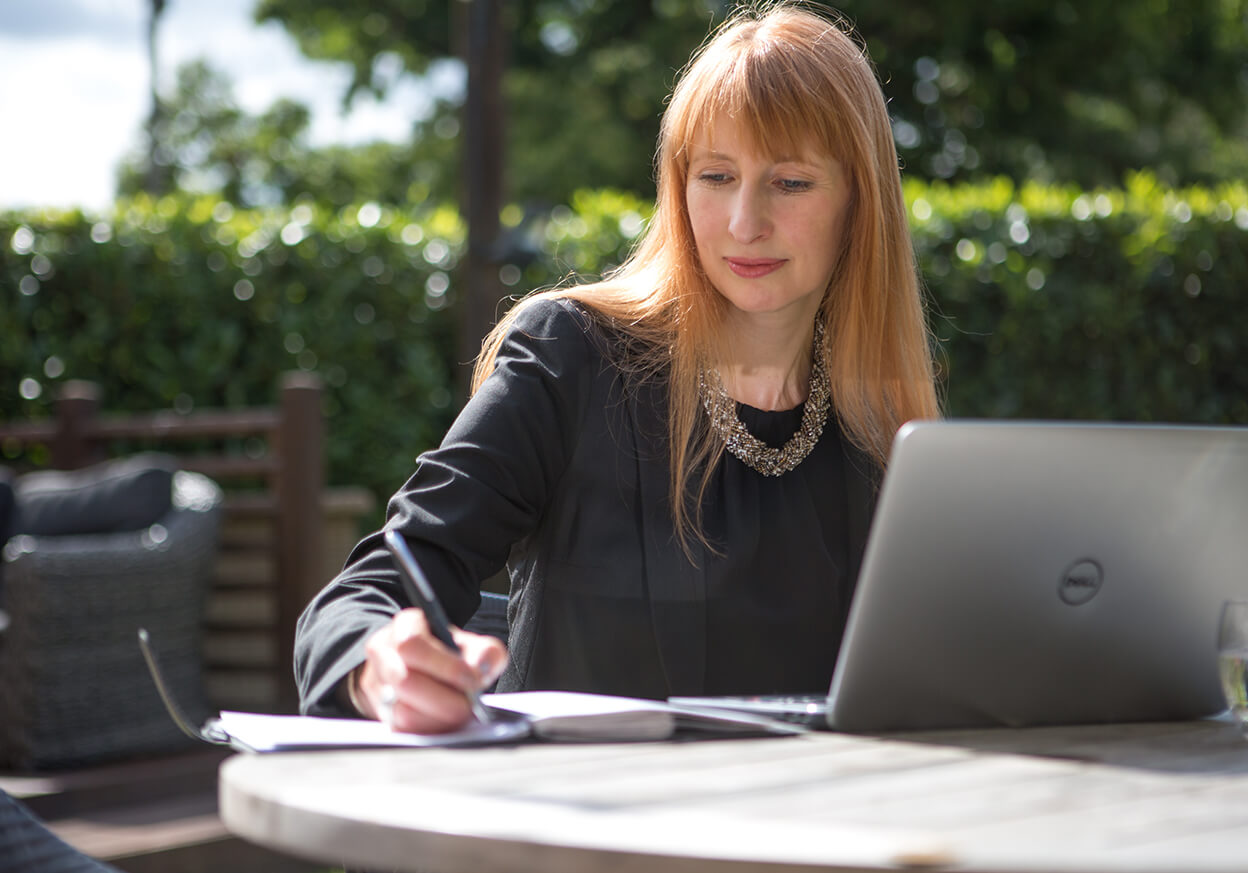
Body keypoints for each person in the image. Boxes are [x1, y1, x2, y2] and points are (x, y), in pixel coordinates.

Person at [294, 0, 940, 733]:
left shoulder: (884, 432)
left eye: (791, 182)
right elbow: (369, 588)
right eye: (717, 176)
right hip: (579, 831)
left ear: (861, 201)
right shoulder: (573, 356)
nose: (744, 222)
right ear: (678, 185)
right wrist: (379, 659)